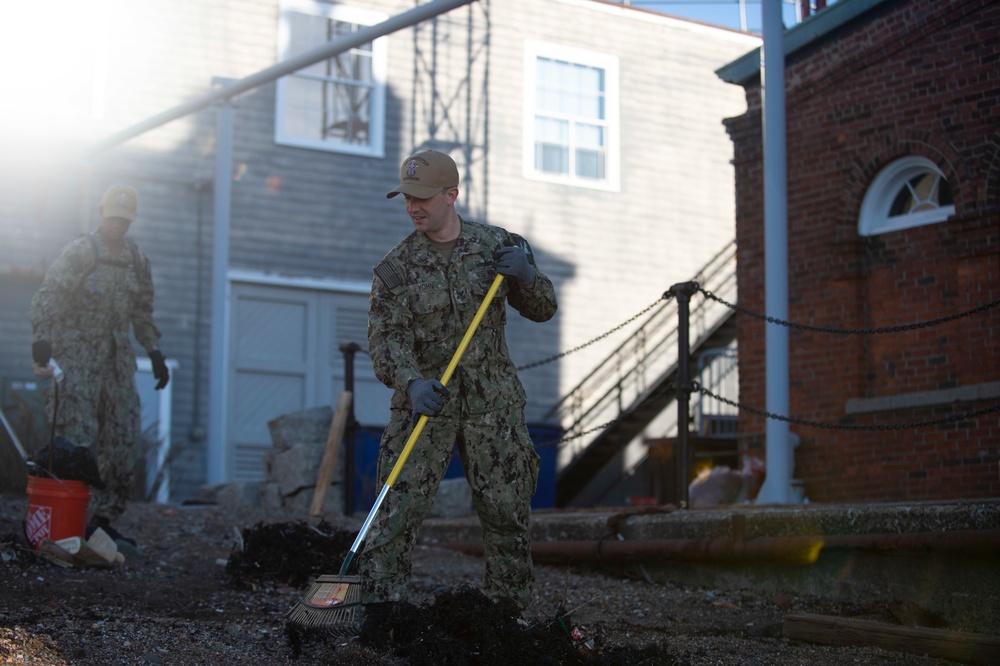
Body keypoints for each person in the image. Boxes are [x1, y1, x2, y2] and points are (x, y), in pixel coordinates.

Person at [360, 150, 558, 623]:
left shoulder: (498, 248)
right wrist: (411, 383)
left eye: (423, 198)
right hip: (426, 404)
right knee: (396, 509)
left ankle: (507, 616)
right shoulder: (396, 269)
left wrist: (527, 275)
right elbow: (385, 339)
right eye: (407, 198)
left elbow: (543, 308)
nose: (414, 207)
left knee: (506, 511)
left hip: (494, 405)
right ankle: (381, 614)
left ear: (451, 195)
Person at [28, 184, 169, 545]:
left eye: (124, 221)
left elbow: (142, 310)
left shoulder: (136, 260)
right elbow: (49, 297)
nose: (117, 226)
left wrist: (153, 352)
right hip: (77, 356)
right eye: (112, 219)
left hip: (117, 360)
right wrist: (42, 341)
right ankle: (64, 523)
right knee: (76, 441)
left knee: (123, 440)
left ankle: (103, 522)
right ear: (101, 214)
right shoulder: (80, 252)